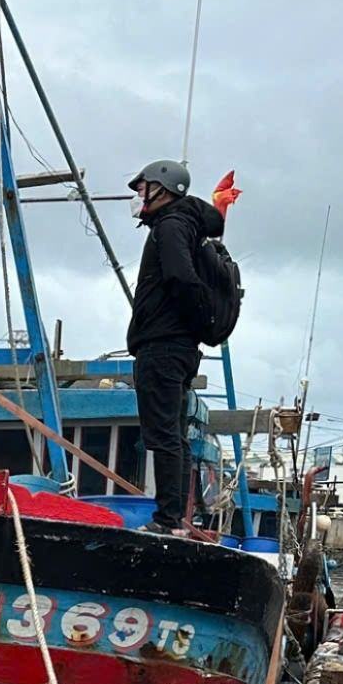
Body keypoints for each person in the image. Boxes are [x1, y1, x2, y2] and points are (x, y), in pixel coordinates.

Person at [125, 159, 226, 534]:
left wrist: (189, 320)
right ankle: (176, 520)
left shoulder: (171, 226)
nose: (138, 196)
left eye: (142, 188)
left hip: (163, 346)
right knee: (174, 435)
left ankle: (168, 520)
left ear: (162, 190)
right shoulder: (185, 225)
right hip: (177, 347)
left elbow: (181, 277)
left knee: (164, 435)